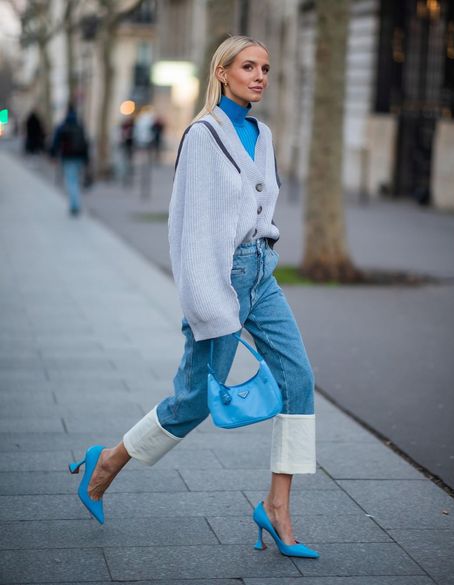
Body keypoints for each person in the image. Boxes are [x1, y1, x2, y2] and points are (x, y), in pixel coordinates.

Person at [69, 35, 318, 559]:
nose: (260, 77)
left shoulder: (263, 134)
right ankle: (108, 460)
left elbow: (259, 209)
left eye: (266, 69)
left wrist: (265, 253)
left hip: (261, 275)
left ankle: (276, 508)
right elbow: (190, 228)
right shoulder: (204, 136)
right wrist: (209, 304)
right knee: (195, 400)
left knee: (298, 379)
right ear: (222, 72)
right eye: (248, 67)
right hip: (218, 280)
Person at [51, 104, 89, 216]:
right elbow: (86, 143)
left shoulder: (62, 126)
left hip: (67, 157)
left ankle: (74, 205)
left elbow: (55, 142)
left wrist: (53, 155)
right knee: (76, 180)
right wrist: (87, 160)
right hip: (79, 158)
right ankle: (76, 203)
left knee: (71, 180)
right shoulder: (80, 126)